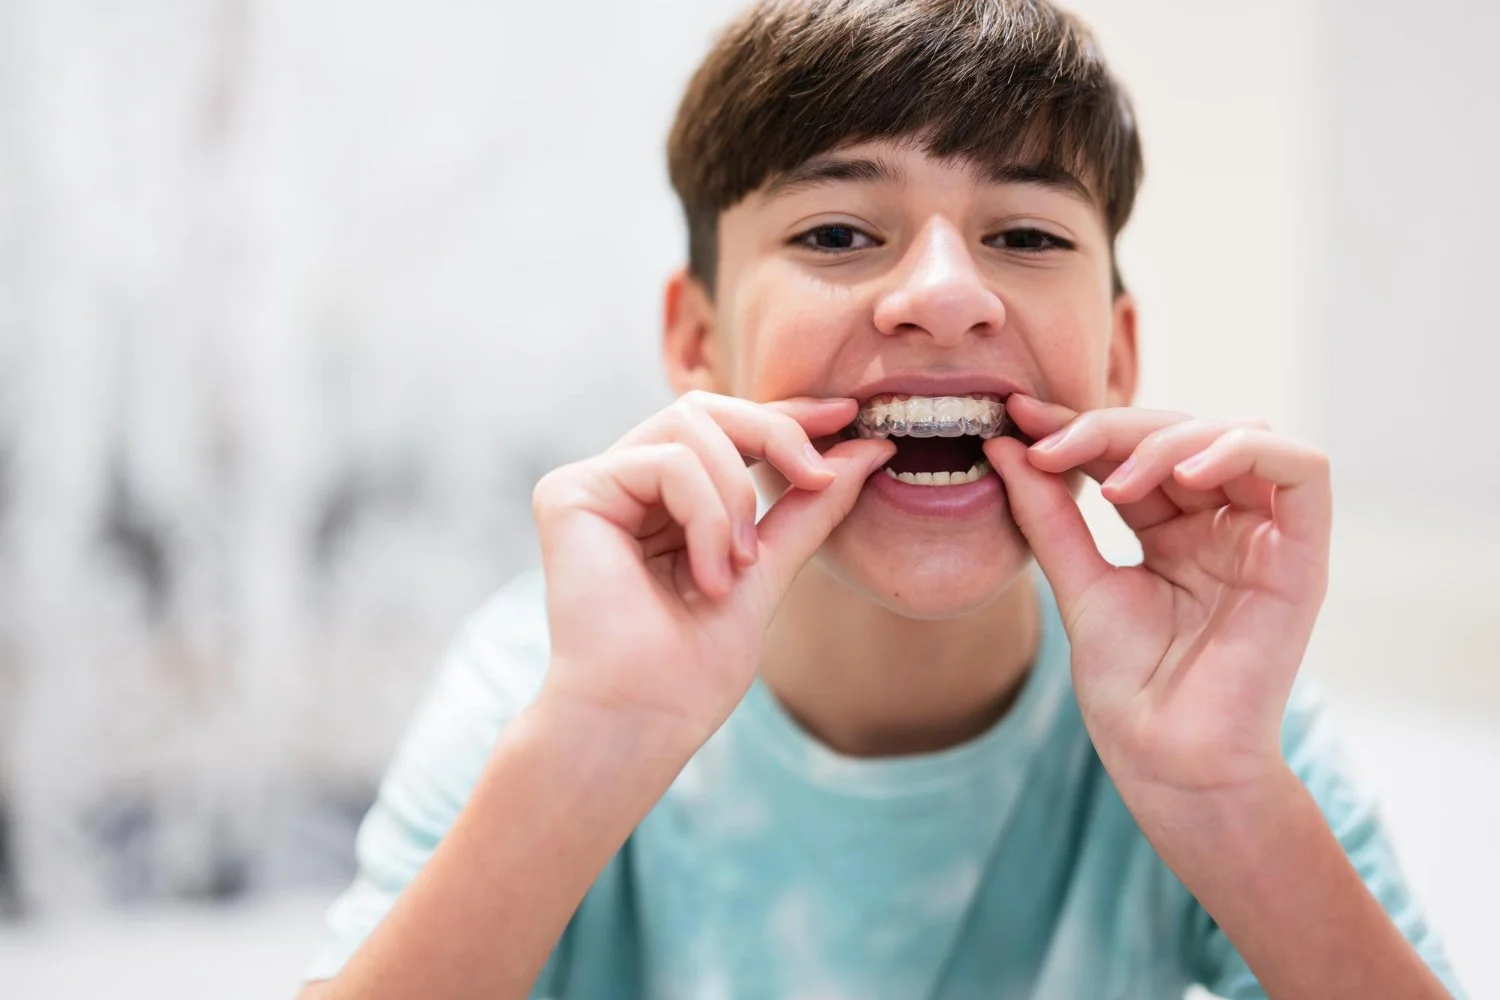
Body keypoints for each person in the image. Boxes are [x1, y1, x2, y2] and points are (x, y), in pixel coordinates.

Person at [301, 1, 1464, 996]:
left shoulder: (1224, 711)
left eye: (1022, 232)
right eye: (840, 231)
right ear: (699, 340)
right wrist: (597, 743)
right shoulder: (538, 683)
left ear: (1116, 357)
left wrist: (1223, 796)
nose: (947, 295)